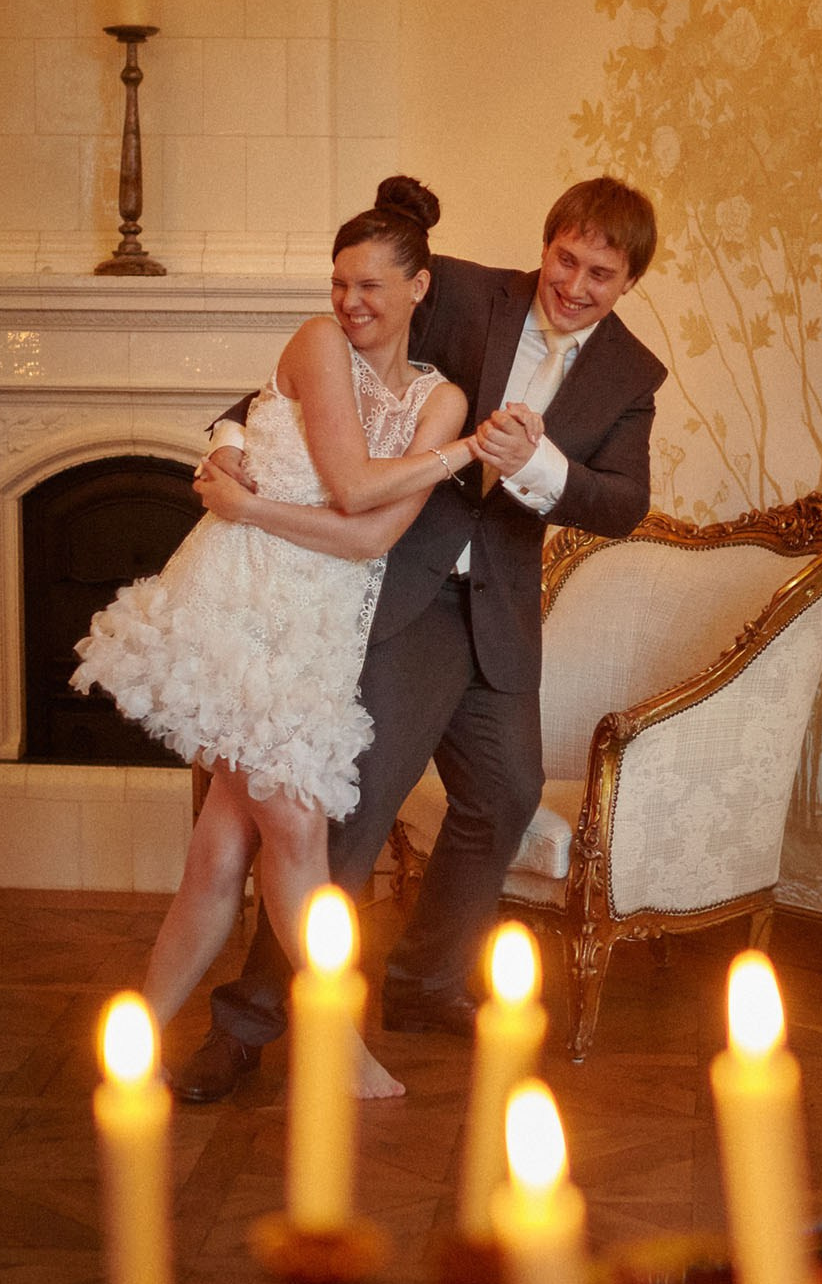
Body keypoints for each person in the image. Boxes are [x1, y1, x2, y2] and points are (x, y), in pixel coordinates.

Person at [174, 175, 666, 1104]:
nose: (575, 284)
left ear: (628, 281)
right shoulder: (463, 294)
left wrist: (543, 465)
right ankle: (244, 1028)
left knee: (507, 792)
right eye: (566, 257)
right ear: (547, 242)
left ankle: (423, 980)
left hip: (500, 619)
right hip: (397, 598)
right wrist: (232, 430)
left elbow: (623, 503)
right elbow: (324, 366)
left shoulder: (631, 374)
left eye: (600, 272)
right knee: (344, 825)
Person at [72, 177, 475, 1098]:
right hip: (240, 605)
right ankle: (341, 1053)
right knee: (292, 836)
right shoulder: (318, 344)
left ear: (419, 287)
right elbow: (350, 482)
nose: (349, 302)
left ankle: (126, 1049)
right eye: (340, 281)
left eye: (371, 285)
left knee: (220, 849)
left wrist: (259, 506)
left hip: (319, 633)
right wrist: (455, 460)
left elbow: (372, 535)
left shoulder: (440, 400)